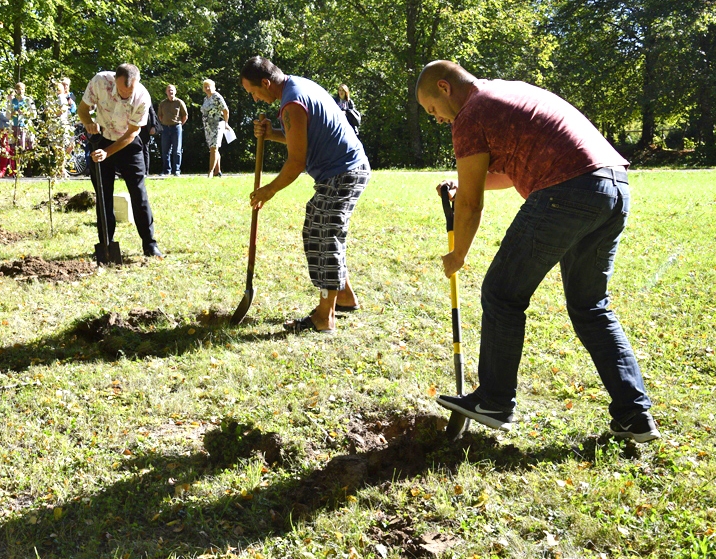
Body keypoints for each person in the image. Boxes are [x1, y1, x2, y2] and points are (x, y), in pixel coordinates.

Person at [416, 60, 659, 443]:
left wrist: (458, 253)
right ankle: (634, 415)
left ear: (444, 88)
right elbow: (501, 175)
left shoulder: (470, 114)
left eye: (433, 110)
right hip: (612, 187)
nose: (438, 119)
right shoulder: (504, 93)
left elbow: (471, 205)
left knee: (501, 292)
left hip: (568, 191)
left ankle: (495, 400)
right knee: (591, 307)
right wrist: (461, 185)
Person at [241, 56, 370, 334]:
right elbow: (301, 136)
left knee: (325, 235)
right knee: (317, 229)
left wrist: (269, 190)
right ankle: (344, 296)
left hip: (344, 171)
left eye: (253, 92)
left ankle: (325, 317)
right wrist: (271, 132)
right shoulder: (297, 88)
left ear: (265, 83)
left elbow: (296, 161)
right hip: (343, 170)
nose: (254, 99)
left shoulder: (292, 102)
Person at [77, 64, 163, 258]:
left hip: (128, 143)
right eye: (122, 91)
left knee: (138, 194)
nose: (125, 96)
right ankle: (105, 244)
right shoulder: (100, 82)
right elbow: (83, 109)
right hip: (102, 139)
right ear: (115, 79)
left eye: (129, 92)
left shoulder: (142, 97)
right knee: (103, 194)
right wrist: (89, 123)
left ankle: (149, 244)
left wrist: (107, 153)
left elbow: (132, 133)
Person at [201, 78, 229, 177]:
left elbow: (225, 110)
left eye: (209, 86)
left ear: (214, 87)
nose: (207, 88)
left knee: (214, 147)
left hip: (217, 124)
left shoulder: (217, 97)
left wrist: (226, 123)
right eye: (205, 87)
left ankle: (210, 172)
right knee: (214, 148)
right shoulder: (206, 99)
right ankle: (218, 171)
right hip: (208, 126)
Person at [158, 84, 188, 176]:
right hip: (165, 128)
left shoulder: (179, 102)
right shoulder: (162, 103)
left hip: (176, 128)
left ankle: (177, 171)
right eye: (168, 90)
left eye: (172, 90)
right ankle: (167, 171)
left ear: (175, 92)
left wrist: (178, 124)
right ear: (166, 92)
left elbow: (185, 116)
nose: (170, 92)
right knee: (165, 150)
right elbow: (160, 116)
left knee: (177, 150)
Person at [9, 82, 35, 151]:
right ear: (16, 90)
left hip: (24, 126)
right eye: (19, 89)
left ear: (24, 90)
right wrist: (14, 113)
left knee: (23, 146)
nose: (20, 91)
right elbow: (8, 115)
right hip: (14, 126)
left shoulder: (28, 100)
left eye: (22, 89)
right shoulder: (12, 101)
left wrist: (25, 113)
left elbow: (34, 114)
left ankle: (23, 160)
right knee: (15, 147)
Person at [138, 103, 161, 175]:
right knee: (136, 149)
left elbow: (152, 112)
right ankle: (138, 170)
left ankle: (145, 171)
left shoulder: (145, 98)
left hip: (145, 129)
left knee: (145, 149)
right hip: (134, 128)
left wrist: (153, 126)